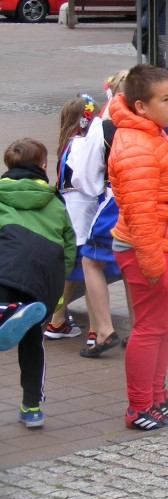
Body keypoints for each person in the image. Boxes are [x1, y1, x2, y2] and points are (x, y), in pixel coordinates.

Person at [107, 65, 168, 430]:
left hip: (165, 245)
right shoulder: (136, 146)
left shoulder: (151, 132)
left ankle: (157, 398)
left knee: (167, 323)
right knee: (149, 328)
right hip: (149, 249)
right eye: (165, 99)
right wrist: (153, 263)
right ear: (141, 106)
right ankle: (139, 407)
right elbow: (140, 214)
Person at [0, 138, 75, 429]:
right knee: (32, 341)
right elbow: (69, 246)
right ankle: (31, 408)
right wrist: (56, 292)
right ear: (43, 166)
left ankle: (6, 309)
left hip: (6, 269)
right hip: (44, 276)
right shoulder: (55, 200)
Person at [68, 71, 128, 357]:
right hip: (153, 201)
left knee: (91, 261)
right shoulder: (156, 124)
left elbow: (84, 177)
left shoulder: (105, 126)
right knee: (133, 265)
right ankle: (140, 327)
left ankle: (103, 330)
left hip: (118, 199)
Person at [45, 94, 96, 340]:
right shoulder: (82, 144)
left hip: (73, 214)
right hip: (83, 215)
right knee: (90, 272)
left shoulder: (68, 143)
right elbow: (86, 181)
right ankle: (94, 328)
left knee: (75, 272)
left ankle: (57, 320)